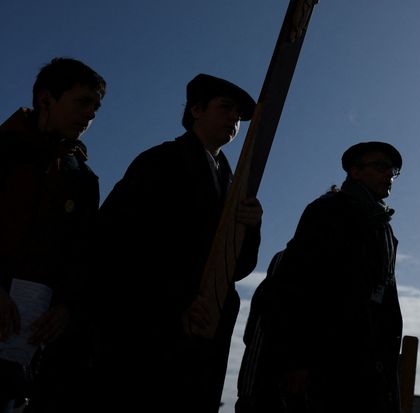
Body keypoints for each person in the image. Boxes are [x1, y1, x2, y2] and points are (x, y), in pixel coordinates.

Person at [96, 74, 262, 413]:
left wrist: (251, 226)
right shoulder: (160, 162)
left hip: (207, 328)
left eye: (240, 116)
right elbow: (119, 240)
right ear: (196, 110)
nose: (234, 119)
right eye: (226, 107)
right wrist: (177, 300)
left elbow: (239, 266)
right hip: (149, 325)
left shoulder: (234, 184)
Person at [242, 142, 403, 413]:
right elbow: (298, 285)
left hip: (364, 362)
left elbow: (383, 298)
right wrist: (298, 360)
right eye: (380, 166)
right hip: (325, 361)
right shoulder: (330, 212)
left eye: (393, 170)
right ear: (355, 171)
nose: (389, 174)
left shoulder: (383, 229)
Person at [0, 58, 105, 412]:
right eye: (82, 102)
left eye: (96, 106)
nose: (90, 114)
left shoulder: (83, 180)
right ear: (46, 99)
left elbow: (84, 257)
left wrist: (66, 307)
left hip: (32, 345)